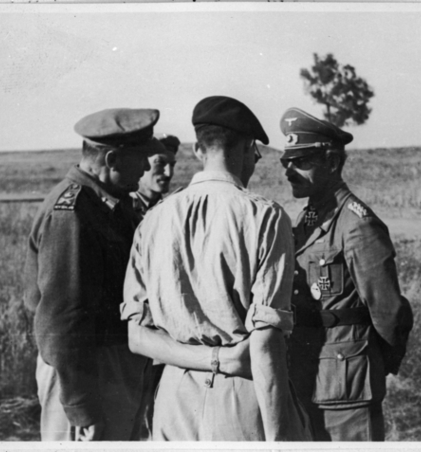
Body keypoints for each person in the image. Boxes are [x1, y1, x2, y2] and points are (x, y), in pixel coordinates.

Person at [121, 96, 311, 441]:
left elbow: (136, 336)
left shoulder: (153, 219)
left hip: (174, 399)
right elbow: (266, 344)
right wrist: (279, 439)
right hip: (243, 397)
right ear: (249, 149)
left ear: (198, 150)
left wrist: (210, 358)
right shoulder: (264, 216)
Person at [24, 108, 160, 441]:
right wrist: (81, 407)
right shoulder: (73, 214)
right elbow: (61, 322)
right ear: (112, 158)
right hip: (85, 377)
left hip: (106, 370)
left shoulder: (106, 204)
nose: (146, 167)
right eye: (141, 158)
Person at [279, 107, 414, 441]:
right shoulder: (309, 218)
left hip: (347, 386)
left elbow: (390, 313)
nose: (290, 171)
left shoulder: (357, 224)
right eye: (287, 162)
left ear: (333, 163)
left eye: (302, 161)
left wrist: (372, 365)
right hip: (307, 374)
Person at [130, 138, 176, 219]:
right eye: (160, 163)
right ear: (141, 163)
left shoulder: (172, 209)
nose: (168, 173)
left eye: (172, 165)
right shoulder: (121, 208)